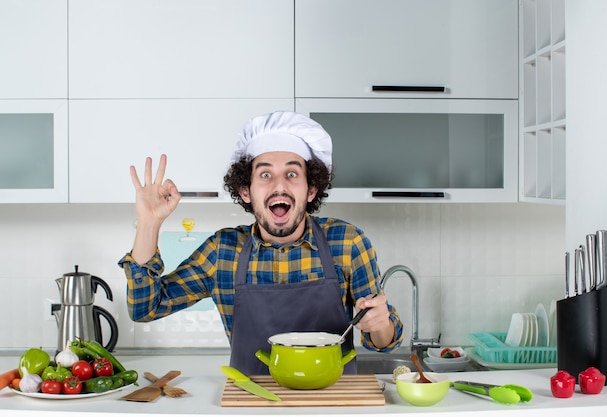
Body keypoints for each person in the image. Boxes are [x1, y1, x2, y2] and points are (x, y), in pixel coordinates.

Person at [119, 111, 404, 374]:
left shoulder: (347, 242)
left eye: (292, 174)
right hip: (252, 403)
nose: (279, 186)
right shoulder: (223, 251)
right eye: (265, 175)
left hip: (331, 401)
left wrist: (380, 324)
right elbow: (146, 307)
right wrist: (149, 223)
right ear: (246, 191)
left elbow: (384, 342)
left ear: (311, 189)